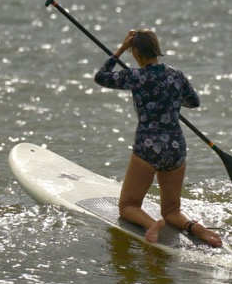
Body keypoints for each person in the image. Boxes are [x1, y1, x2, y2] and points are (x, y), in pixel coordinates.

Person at [94, 28, 223, 248]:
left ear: (136, 53)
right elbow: (194, 102)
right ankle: (195, 227)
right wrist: (170, 99)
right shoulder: (176, 75)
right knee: (173, 210)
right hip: (176, 148)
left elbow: (100, 77)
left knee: (128, 207)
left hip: (148, 147)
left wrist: (120, 50)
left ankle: (153, 224)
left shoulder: (136, 76)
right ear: (156, 50)